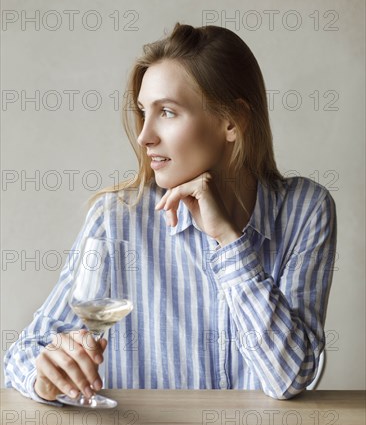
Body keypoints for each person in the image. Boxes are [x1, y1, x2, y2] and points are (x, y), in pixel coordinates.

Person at [4, 23, 337, 404]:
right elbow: (24, 353)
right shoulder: (117, 219)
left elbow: (288, 377)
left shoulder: (305, 210)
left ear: (232, 121)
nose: (145, 135)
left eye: (167, 112)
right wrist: (46, 377)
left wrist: (228, 242)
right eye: (144, 112)